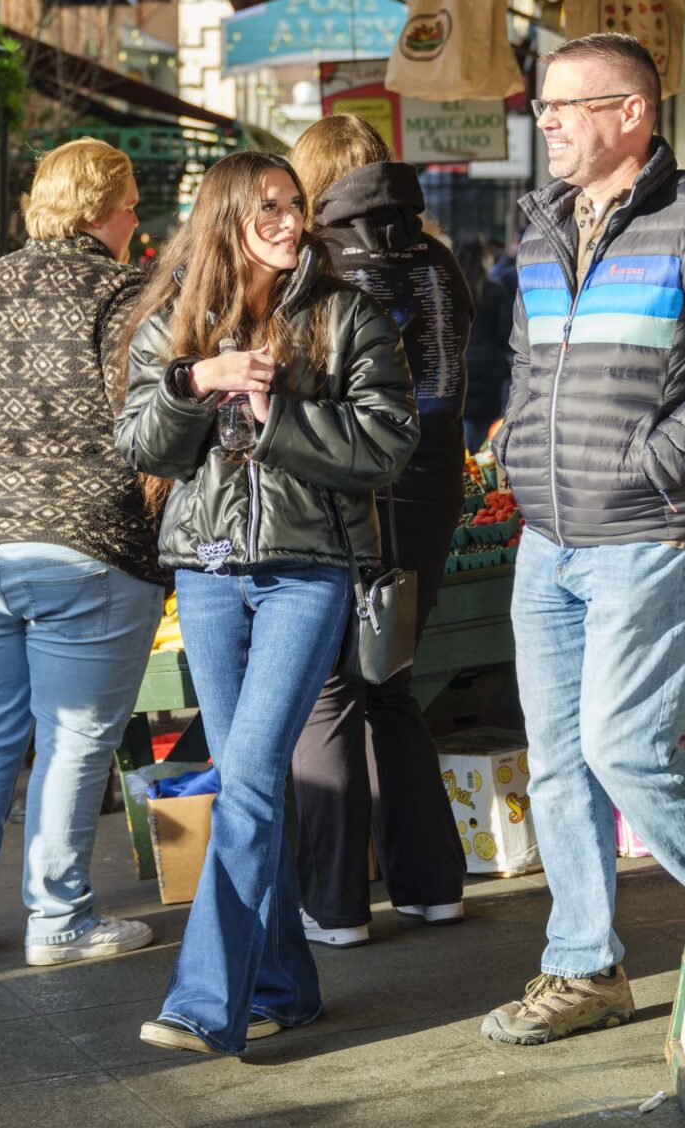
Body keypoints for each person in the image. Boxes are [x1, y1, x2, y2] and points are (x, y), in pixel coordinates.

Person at [480, 34, 685, 1047]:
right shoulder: (536, 233)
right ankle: (583, 969)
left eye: (566, 105)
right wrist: (520, 454)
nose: (547, 122)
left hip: (653, 530)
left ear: (629, 114)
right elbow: (524, 369)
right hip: (546, 538)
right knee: (557, 763)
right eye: (544, 107)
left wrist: (656, 461)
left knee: (624, 746)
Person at [115, 151, 419, 1056]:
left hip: (309, 570)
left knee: (244, 776)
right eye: (269, 209)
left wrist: (278, 409)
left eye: (296, 205)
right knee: (256, 784)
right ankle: (284, 984)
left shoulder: (344, 315)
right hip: (207, 575)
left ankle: (204, 1001)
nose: (292, 221)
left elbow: (389, 442)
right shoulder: (172, 327)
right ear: (225, 220)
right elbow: (141, 443)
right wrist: (193, 382)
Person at [0, 139, 166, 962]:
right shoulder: (126, 291)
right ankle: (59, 918)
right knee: (75, 737)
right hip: (89, 539)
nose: (137, 218)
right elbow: (144, 422)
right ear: (101, 209)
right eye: (130, 202)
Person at [285, 116, 469, 946]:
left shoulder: (313, 262)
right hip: (431, 487)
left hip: (344, 491)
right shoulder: (437, 257)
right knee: (390, 683)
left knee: (327, 690)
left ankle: (334, 904)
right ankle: (433, 886)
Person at [462, 236, 518, 449]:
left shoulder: (451, 290)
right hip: (489, 371)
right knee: (485, 436)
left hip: (460, 366)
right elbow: (506, 334)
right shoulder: (494, 290)